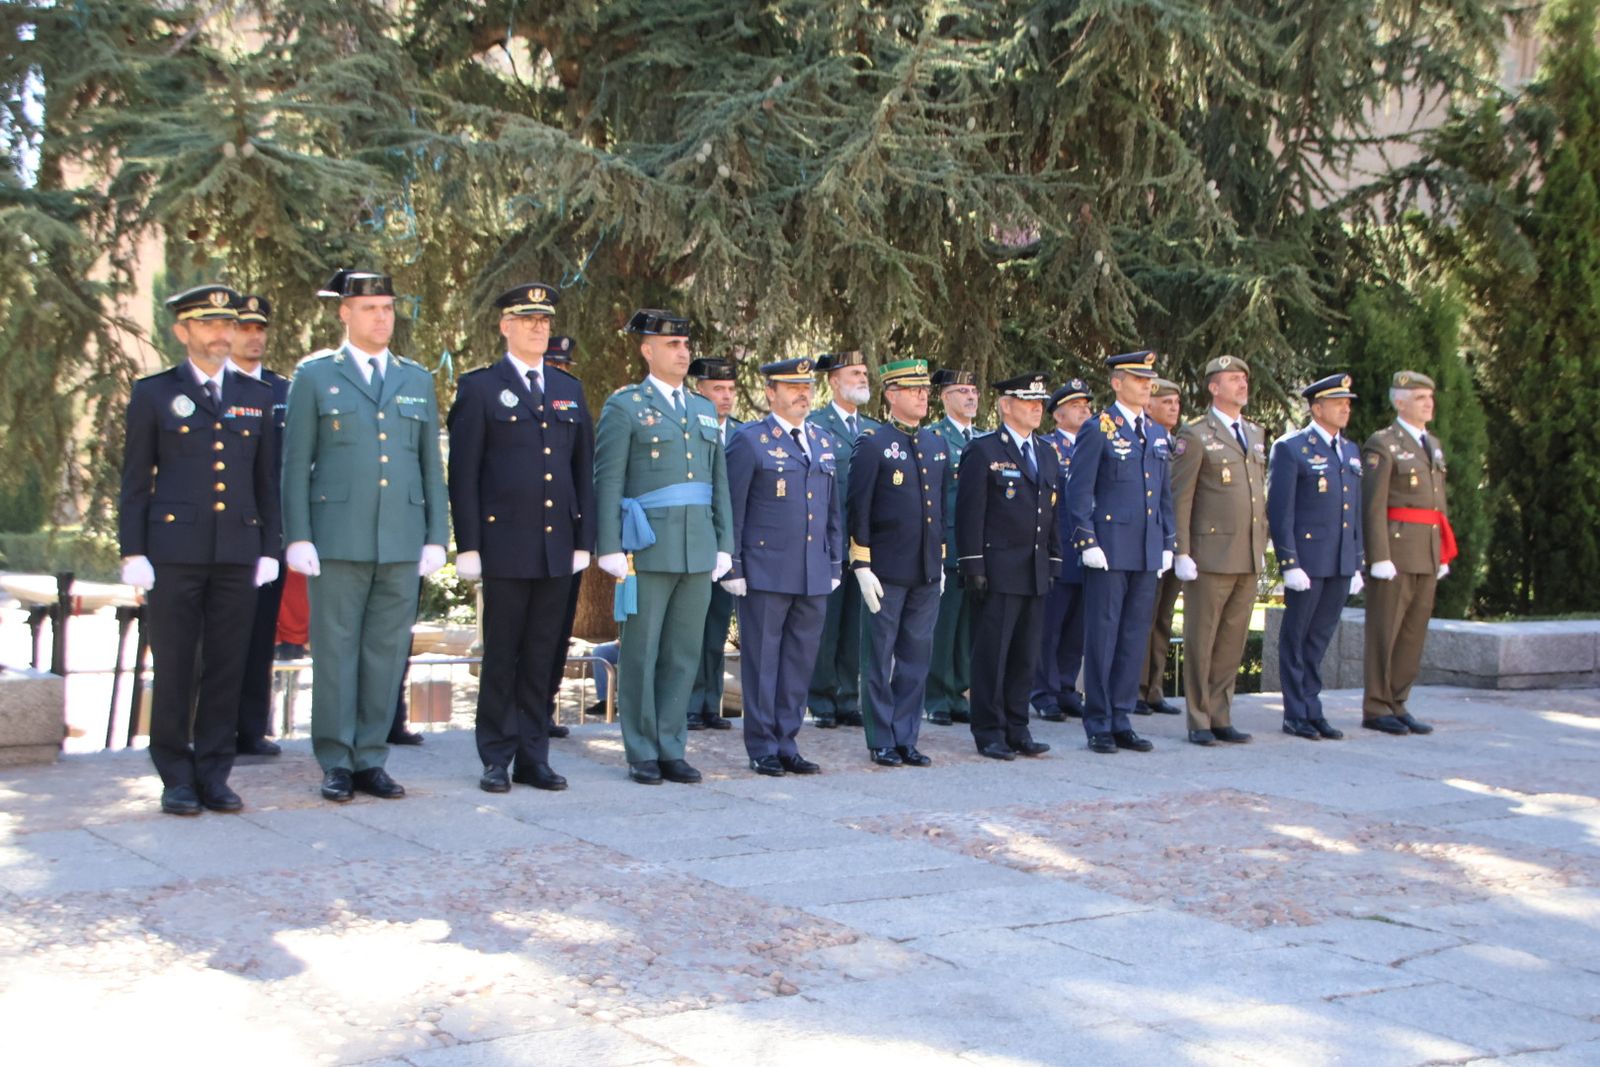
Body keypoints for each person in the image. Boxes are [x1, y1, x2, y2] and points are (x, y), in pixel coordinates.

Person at [280, 269, 448, 803]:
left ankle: (371, 757)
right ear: (344, 314)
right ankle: (336, 758)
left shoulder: (415, 379)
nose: (382, 318)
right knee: (335, 652)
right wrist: (298, 536)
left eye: (388, 308)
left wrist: (435, 535)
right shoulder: (314, 376)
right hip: (336, 538)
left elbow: (429, 465)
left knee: (385, 652)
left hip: (400, 538)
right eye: (371, 308)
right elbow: (295, 465)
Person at [118, 283, 280, 815]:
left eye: (228, 324)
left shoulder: (256, 397)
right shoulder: (154, 394)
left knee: (226, 666)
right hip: (174, 551)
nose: (222, 334)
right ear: (182, 331)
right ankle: (175, 776)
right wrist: (133, 551)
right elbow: (135, 481)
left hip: (237, 549)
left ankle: (215, 771)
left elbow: (266, 481)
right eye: (209, 325)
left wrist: (269, 547)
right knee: (176, 667)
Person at [448, 282, 593, 793]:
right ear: (506, 326)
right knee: (503, 654)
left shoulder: (567, 390)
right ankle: (495, 754)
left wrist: (584, 539)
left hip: (556, 548)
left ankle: (534, 755)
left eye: (544, 321)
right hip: (504, 545)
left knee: (542, 654)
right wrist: (467, 544)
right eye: (527, 319)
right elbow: (463, 473)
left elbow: (582, 471)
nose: (538, 327)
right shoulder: (481, 388)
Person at [593, 309, 733, 785]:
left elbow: (719, 482)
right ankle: (641, 749)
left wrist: (724, 543)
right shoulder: (625, 406)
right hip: (646, 548)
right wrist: (607, 545)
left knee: (682, 654)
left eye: (685, 344)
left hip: (697, 548)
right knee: (641, 651)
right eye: (671, 344)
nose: (682, 351)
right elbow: (607, 479)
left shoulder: (701, 408)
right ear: (647, 349)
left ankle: (672, 746)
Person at [722, 357, 841, 776]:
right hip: (765, 571)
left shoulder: (822, 441)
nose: (802, 393)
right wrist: (732, 566)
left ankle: (788, 741)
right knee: (762, 662)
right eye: (792, 386)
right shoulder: (749, 440)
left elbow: (832, 511)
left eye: (806, 386)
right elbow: (733, 509)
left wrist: (834, 561)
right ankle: (762, 746)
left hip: (812, 573)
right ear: (771, 393)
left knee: (798, 662)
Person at [1065, 350, 1175, 755]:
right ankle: (1098, 722)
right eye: (1137, 378)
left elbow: (1164, 495)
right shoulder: (1099, 429)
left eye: (1149, 379)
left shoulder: (1156, 432)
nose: (1147, 385)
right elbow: (1079, 492)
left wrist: (1168, 543)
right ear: (1116, 383)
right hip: (1109, 550)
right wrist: (1086, 539)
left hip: (1146, 550)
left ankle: (1121, 717)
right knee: (1103, 637)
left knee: (1133, 637)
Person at [849, 359, 950, 767]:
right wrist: (861, 563)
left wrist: (940, 561)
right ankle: (881, 738)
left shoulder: (935, 445)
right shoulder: (874, 443)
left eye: (924, 389)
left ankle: (907, 736)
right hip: (885, 570)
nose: (922, 396)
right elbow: (859, 507)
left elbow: (941, 510)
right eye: (912, 390)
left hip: (925, 568)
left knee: (915, 657)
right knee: (879, 654)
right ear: (891, 395)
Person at [955, 372, 1061, 760]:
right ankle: (988, 730)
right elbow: (970, 513)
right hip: (997, 570)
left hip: (1033, 569)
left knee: (1025, 654)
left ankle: (1018, 726)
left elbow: (1052, 512)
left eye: (1040, 402)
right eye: (1028, 401)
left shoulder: (1046, 452)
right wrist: (972, 566)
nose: (1037, 407)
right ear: (1005, 406)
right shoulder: (984, 451)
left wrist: (1054, 558)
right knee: (992, 655)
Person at [1170, 355, 1267, 747]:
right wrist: (1182, 551)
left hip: (1247, 553)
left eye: (1244, 378)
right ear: (1214, 387)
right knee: (1202, 639)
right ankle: (1198, 718)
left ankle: (1221, 713)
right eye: (1233, 379)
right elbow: (1181, 498)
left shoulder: (1256, 433)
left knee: (1231, 641)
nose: (1242, 384)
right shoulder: (1195, 435)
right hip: (1209, 555)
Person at [1269, 374, 1365, 740]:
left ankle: (1313, 707)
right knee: (1297, 637)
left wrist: (1357, 561)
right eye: (1338, 402)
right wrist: (1289, 563)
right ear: (1317, 407)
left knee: (1320, 638)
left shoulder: (1350, 450)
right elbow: (1282, 512)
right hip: (1308, 561)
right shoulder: (1292, 448)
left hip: (1339, 560)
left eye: (1348, 402)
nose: (1346, 408)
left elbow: (1353, 511)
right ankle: (1296, 712)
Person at [1361, 370, 1453, 736]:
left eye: (1430, 397)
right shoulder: (1383, 443)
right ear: (1399, 402)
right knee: (1386, 630)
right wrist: (1378, 556)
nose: (1428, 403)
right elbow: (1373, 505)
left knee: (1413, 631)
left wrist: (1441, 552)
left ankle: (1399, 702)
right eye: (1419, 397)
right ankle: (1376, 705)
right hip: (1395, 552)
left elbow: (1437, 504)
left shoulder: (1432, 443)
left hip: (1426, 550)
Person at [227, 292, 291, 757]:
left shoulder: (282, 391)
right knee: (217, 637)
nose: (254, 337)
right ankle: (207, 729)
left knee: (258, 635)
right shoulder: (212, 386)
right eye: (245, 328)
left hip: (269, 532)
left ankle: (251, 728)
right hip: (220, 530)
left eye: (259, 329)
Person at [806, 350, 880, 728]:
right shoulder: (815, 424)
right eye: (855, 373)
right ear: (834, 382)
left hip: (864, 540)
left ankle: (847, 697)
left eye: (865, 373)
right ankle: (821, 698)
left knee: (856, 620)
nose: (863, 378)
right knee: (827, 619)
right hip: (825, 539)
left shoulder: (874, 428)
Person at [1031, 378, 1092, 722]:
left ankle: (1067, 687)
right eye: (1077, 406)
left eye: (1087, 405)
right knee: (1049, 626)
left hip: (1091, 552)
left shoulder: (1097, 444)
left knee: (1077, 627)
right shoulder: (1047, 448)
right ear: (1058, 415)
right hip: (1058, 549)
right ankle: (1043, 691)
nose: (1085, 410)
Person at [687, 356, 741, 732]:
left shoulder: (743, 433)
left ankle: (711, 705)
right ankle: (690, 703)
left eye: (731, 390)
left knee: (717, 629)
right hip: (692, 541)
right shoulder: (687, 426)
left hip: (728, 547)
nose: (726, 397)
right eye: (717, 389)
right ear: (699, 391)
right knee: (691, 628)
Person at [925, 367, 980, 726]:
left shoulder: (984, 438)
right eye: (962, 391)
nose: (971, 397)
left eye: (974, 390)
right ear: (945, 398)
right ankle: (936, 697)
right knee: (942, 626)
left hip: (976, 547)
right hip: (948, 543)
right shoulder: (935, 437)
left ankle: (960, 690)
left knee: (966, 626)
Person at [1135, 377, 1185, 716]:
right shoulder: (1144, 440)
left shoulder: (1180, 444)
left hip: (1175, 544)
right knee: (1142, 618)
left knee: (1163, 619)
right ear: (1149, 406)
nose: (1173, 408)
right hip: (1147, 542)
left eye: (1176, 402)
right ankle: (1135, 689)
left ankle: (1154, 687)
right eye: (1166, 402)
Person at [541, 334, 582, 736]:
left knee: (560, 628)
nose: (559, 374)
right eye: (553, 366)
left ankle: (545, 703)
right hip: (524, 536)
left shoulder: (572, 402)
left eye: (564, 367)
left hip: (566, 535)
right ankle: (525, 708)